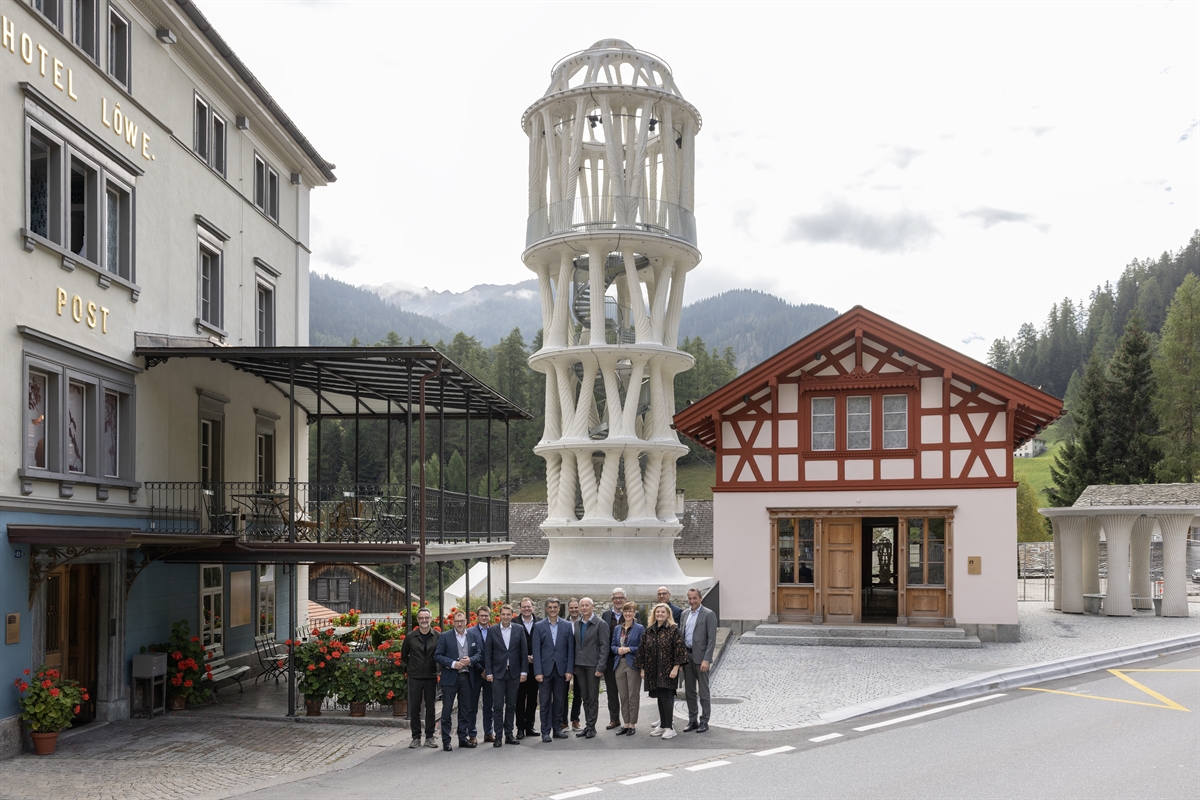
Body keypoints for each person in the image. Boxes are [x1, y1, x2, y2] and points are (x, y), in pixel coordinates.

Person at [635, 602, 687, 739]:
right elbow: (642, 650)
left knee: (667, 697)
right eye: (657, 612)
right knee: (659, 697)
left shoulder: (673, 630)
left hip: (668, 670)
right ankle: (663, 725)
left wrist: (676, 667)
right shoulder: (649, 631)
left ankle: (670, 728)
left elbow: (680, 650)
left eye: (663, 612)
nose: (660, 614)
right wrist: (642, 669)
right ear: (654, 614)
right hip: (653, 670)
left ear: (668, 614)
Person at [434, 610, 483, 751]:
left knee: (465, 710)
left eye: (462, 621)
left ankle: (463, 738)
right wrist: (453, 664)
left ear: (466, 621)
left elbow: (479, 654)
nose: (460, 623)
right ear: (453, 622)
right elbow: (437, 655)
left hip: (467, 678)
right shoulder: (445, 636)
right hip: (450, 678)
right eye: (457, 621)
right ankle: (446, 741)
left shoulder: (473, 636)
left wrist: (471, 660)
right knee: (447, 709)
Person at [484, 604, 527, 747]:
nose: (506, 617)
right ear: (500, 615)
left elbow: (523, 652)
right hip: (497, 674)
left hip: (514, 673)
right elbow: (488, 653)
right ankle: (498, 736)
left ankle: (509, 735)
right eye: (503, 614)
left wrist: (523, 671)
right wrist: (489, 672)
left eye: (509, 614)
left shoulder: (519, 629)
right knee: (497, 706)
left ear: (512, 615)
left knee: (511, 705)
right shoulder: (492, 630)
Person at [531, 598, 574, 742]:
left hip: (561, 670)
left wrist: (569, 670)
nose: (553, 609)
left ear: (559, 608)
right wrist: (537, 671)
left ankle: (557, 729)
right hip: (544, 670)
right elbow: (536, 651)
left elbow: (570, 650)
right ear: (546, 609)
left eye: (555, 607)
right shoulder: (539, 626)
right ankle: (545, 731)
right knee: (544, 702)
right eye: (550, 607)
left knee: (559, 701)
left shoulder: (567, 626)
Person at [399, 607, 440, 748]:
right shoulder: (410, 637)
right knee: (414, 707)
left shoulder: (437, 636)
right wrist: (413, 666)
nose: (424, 620)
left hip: (430, 676)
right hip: (415, 677)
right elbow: (404, 655)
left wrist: (437, 669)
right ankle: (416, 737)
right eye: (421, 618)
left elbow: (441, 655)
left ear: (431, 619)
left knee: (430, 708)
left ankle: (430, 737)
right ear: (418, 620)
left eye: (426, 618)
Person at [680, 588, 718, 733]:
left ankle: (704, 721)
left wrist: (706, 659)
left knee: (703, 691)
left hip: (701, 658)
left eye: (695, 598)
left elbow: (712, 639)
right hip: (687, 657)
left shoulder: (708, 614)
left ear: (700, 598)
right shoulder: (684, 614)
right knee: (689, 691)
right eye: (689, 598)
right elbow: (681, 637)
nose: (692, 601)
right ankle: (692, 720)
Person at [571, 597, 610, 738]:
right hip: (580, 665)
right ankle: (588, 725)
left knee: (593, 698)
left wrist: (601, 667)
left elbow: (604, 647)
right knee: (585, 697)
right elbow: (575, 645)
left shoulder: (601, 624)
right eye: (582, 605)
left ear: (592, 606)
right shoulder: (577, 624)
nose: (584, 607)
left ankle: (592, 727)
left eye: (587, 605)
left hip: (593, 666)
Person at [609, 601, 644, 736]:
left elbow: (643, 647)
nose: (628, 613)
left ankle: (632, 724)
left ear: (634, 613)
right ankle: (625, 723)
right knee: (623, 695)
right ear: (623, 613)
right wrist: (618, 649)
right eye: (626, 611)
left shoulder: (640, 628)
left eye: (630, 611)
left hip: (633, 664)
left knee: (633, 695)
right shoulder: (618, 628)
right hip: (619, 664)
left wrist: (629, 649)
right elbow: (612, 645)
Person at [599, 588, 628, 730]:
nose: (618, 600)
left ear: (625, 599)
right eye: (616, 598)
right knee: (611, 690)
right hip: (610, 659)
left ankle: (628, 720)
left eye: (621, 597)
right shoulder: (605, 615)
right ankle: (614, 719)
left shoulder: (631, 614)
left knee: (626, 691)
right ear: (612, 600)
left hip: (626, 658)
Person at [467, 605, 494, 743]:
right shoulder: (470, 632)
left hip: (490, 674)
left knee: (489, 705)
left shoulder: (494, 631)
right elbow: (469, 654)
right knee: (472, 706)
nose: (484, 618)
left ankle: (488, 732)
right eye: (481, 615)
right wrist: (480, 669)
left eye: (486, 615)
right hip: (475, 673)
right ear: (477, 617)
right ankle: (472, 734)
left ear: (489, 617)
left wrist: (489, 671)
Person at [514, 597, 539, 738]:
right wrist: (524, 658)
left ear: (533, 607)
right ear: (520, 608)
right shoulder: (514, 623)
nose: (526, 609)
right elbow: (511, 646)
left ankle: (530, 726)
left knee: (533, 698)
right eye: (524, 607)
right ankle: (520, 728)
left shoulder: (540, 622)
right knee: (519, 698)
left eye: (528, 606)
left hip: (536, 667)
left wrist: (536, 656)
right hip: (520, 668)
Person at [565, 598, 583, 730]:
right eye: (571, 607)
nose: (574, 610)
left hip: (581, 663)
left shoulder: (585, 622)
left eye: (576, 607)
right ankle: (563, 721)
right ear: (568, 609)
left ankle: (575, 719)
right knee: (563, 693)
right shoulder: (563, 623)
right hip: (565, 663)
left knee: (579, 693)